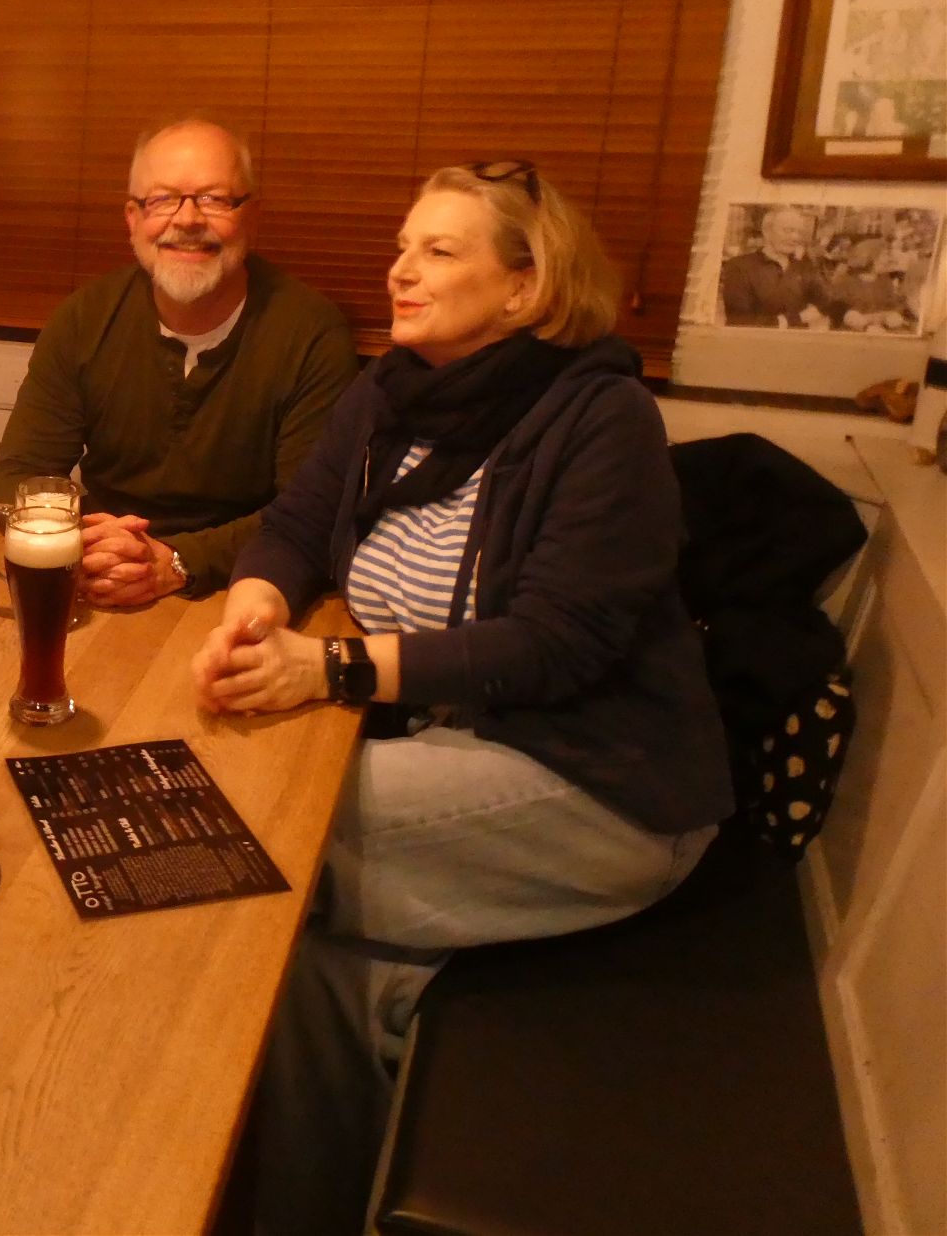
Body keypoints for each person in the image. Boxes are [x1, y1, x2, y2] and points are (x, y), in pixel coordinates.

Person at [191, 161, 731, 1234]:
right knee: (321, 973)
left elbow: (551, 646)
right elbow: (296, 526)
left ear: (526, 288)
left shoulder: (601, 417)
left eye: (438, 251)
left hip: (598, 785)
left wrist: (331, 669)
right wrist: (256, 605)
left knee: (253, 849)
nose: (400, 270)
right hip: (453, 746)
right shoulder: (388, 394)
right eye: (402, 246)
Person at [0, 117, 354, 607]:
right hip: (100, 577)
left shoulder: (312, 334)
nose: (187, 220)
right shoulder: (83, 319)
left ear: (252, 216)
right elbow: (17, 474)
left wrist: (177, 561)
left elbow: (312, 513)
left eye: (214, 199)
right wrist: (83, 541)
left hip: (241, 587)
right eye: (162, 200)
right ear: (132, 219)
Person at [720, 204, 824, 326]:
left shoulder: (804, 268)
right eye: (788, 230)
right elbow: (739, 321)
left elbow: (826, 301)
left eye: (799, 232)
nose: (795, 237)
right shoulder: (740, 266)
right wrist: (794, 319)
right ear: (767, 232)